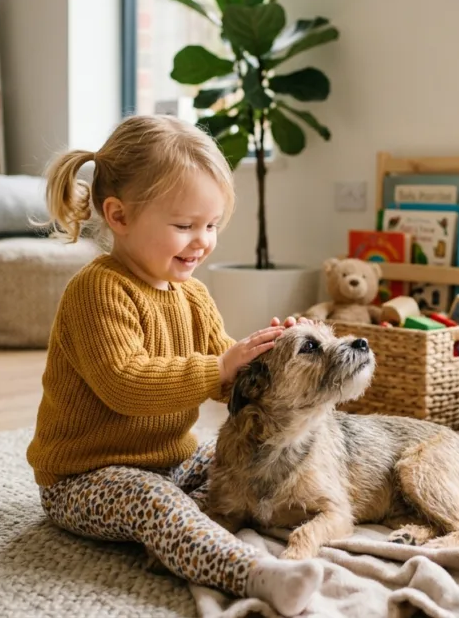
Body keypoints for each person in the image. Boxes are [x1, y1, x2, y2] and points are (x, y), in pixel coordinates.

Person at [25, 115, 323, 616]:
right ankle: (253, 573)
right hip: (85, 477)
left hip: (171, 460)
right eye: (184, 226)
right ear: (118, 216)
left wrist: (268, 354)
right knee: (155, 503)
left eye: (211, 226)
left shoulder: (194, 295)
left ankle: (305, 511)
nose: (202, 240)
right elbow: (128, 384)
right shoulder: (97, 290)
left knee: (245, 455)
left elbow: (224, 379)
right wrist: (220, 365)